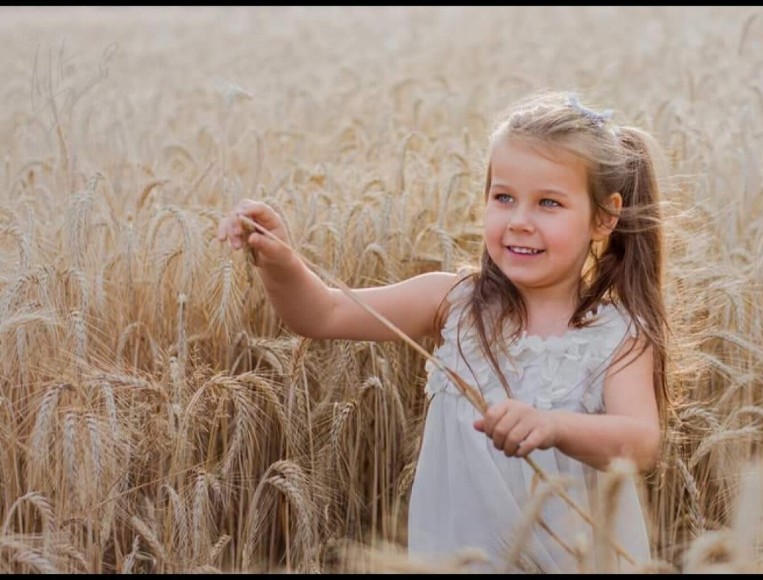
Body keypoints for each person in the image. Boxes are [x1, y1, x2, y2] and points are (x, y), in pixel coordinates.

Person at [217, 90, 670, 573]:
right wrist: (281, 260)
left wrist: (555, 427)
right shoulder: (453, 303)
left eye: (549, 203)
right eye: (504, 198)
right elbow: (323, 315)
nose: (519, 221)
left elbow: (641, 441)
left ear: (604, 217)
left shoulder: (616, 333)